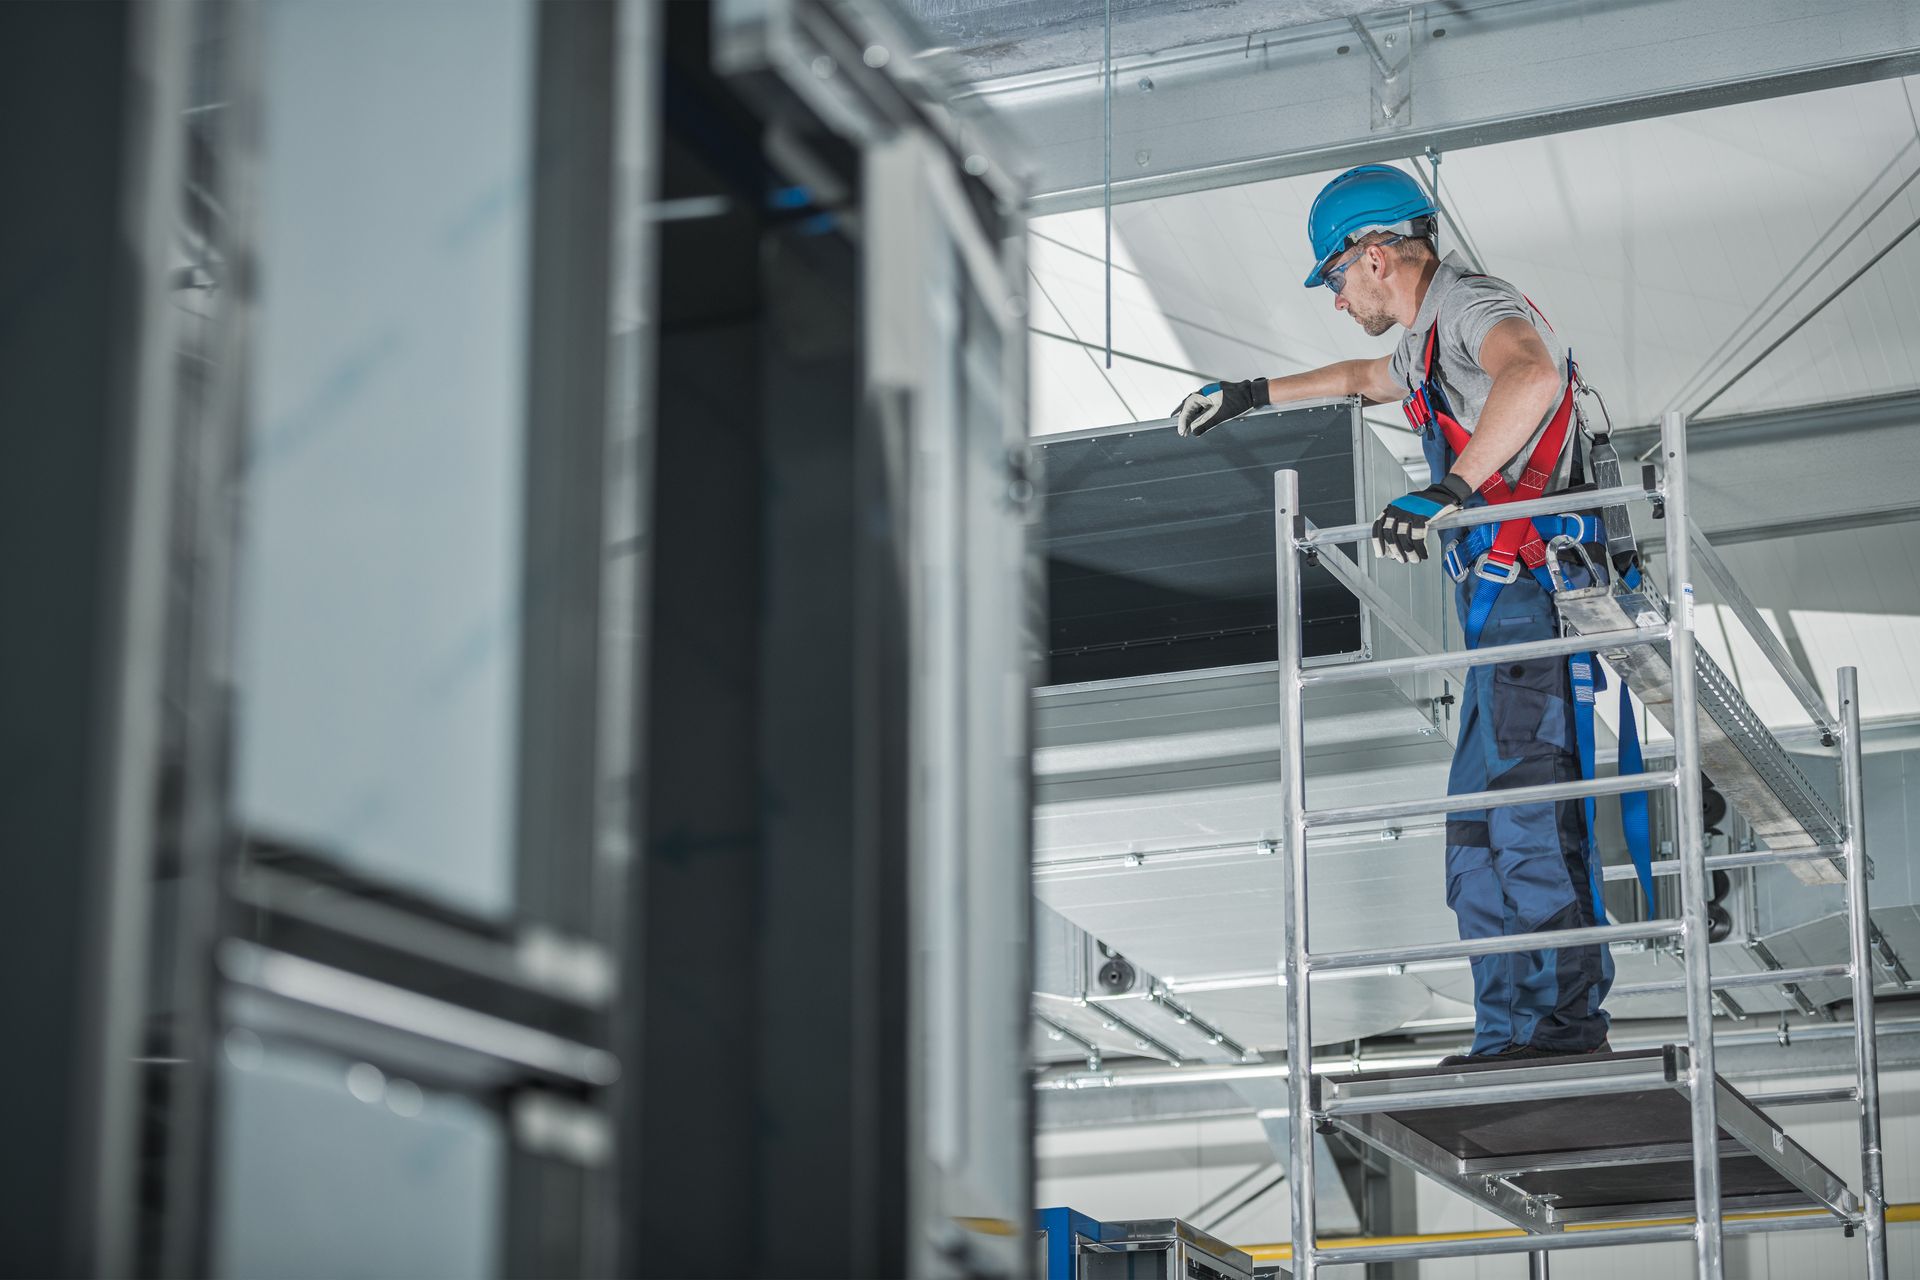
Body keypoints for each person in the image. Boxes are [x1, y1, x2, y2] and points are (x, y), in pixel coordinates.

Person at [1172, 164, 1613, 1065]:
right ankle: (1509, 1031)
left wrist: (1447, 490)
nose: (1336, 299)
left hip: (1530, 596)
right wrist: (1252, 394)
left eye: (1334, 278)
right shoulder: (1425, 340)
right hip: (1496, 611)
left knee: (1527, 816)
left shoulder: (1476, 306)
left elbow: (1529, 374)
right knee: (1477, 832)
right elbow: (1367, 378)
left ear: (1375, 256)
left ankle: (1563, 1030)